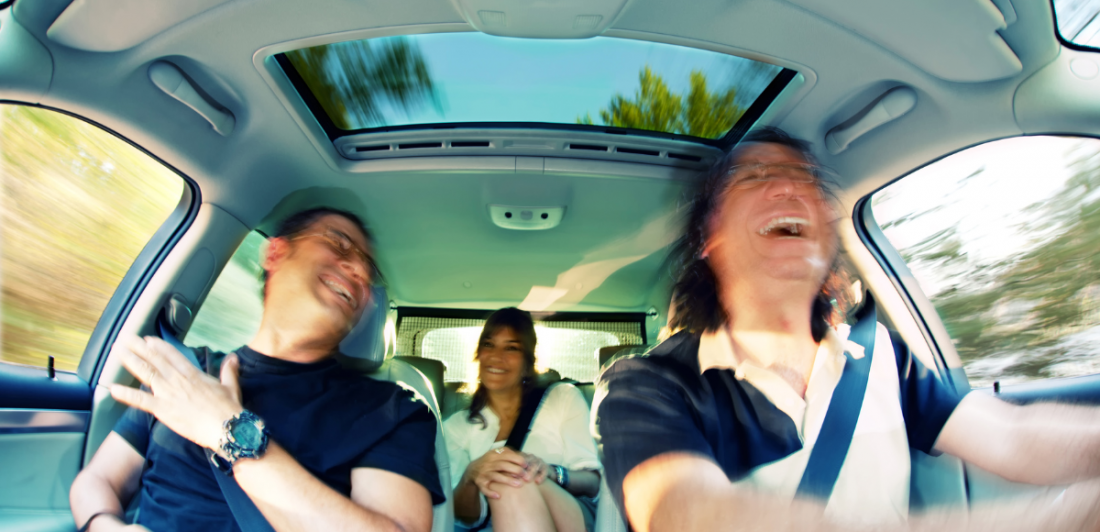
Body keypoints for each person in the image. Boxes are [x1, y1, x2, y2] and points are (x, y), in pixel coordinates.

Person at [594, 127, 1100, 532]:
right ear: (710, 236)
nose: (790, 186)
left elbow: (1014, 436)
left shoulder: (882, 359)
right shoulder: (646, 386)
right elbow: (695, 516)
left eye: (807, 180)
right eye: (754, 177)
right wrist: (1064, 519)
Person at [69, 207, 445, 532]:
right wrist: (103, 524)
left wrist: (227, 429)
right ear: (276, 252)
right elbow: (99, 478)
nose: (360, 271)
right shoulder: (188, 373)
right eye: (339, 244)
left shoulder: (393, 411)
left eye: (368, 270)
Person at [444, 307, 601, 532]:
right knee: (508, 480)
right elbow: (465, 519)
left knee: (512, 477)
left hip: (569, 516)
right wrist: (471, 475)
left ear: (528, 364)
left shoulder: (562, 397)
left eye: (511, 348)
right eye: (489, 344)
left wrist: (552, 472)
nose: (497, 356)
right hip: (494, 524)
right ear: (478, 354)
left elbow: (593, 483)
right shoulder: (456, 426)